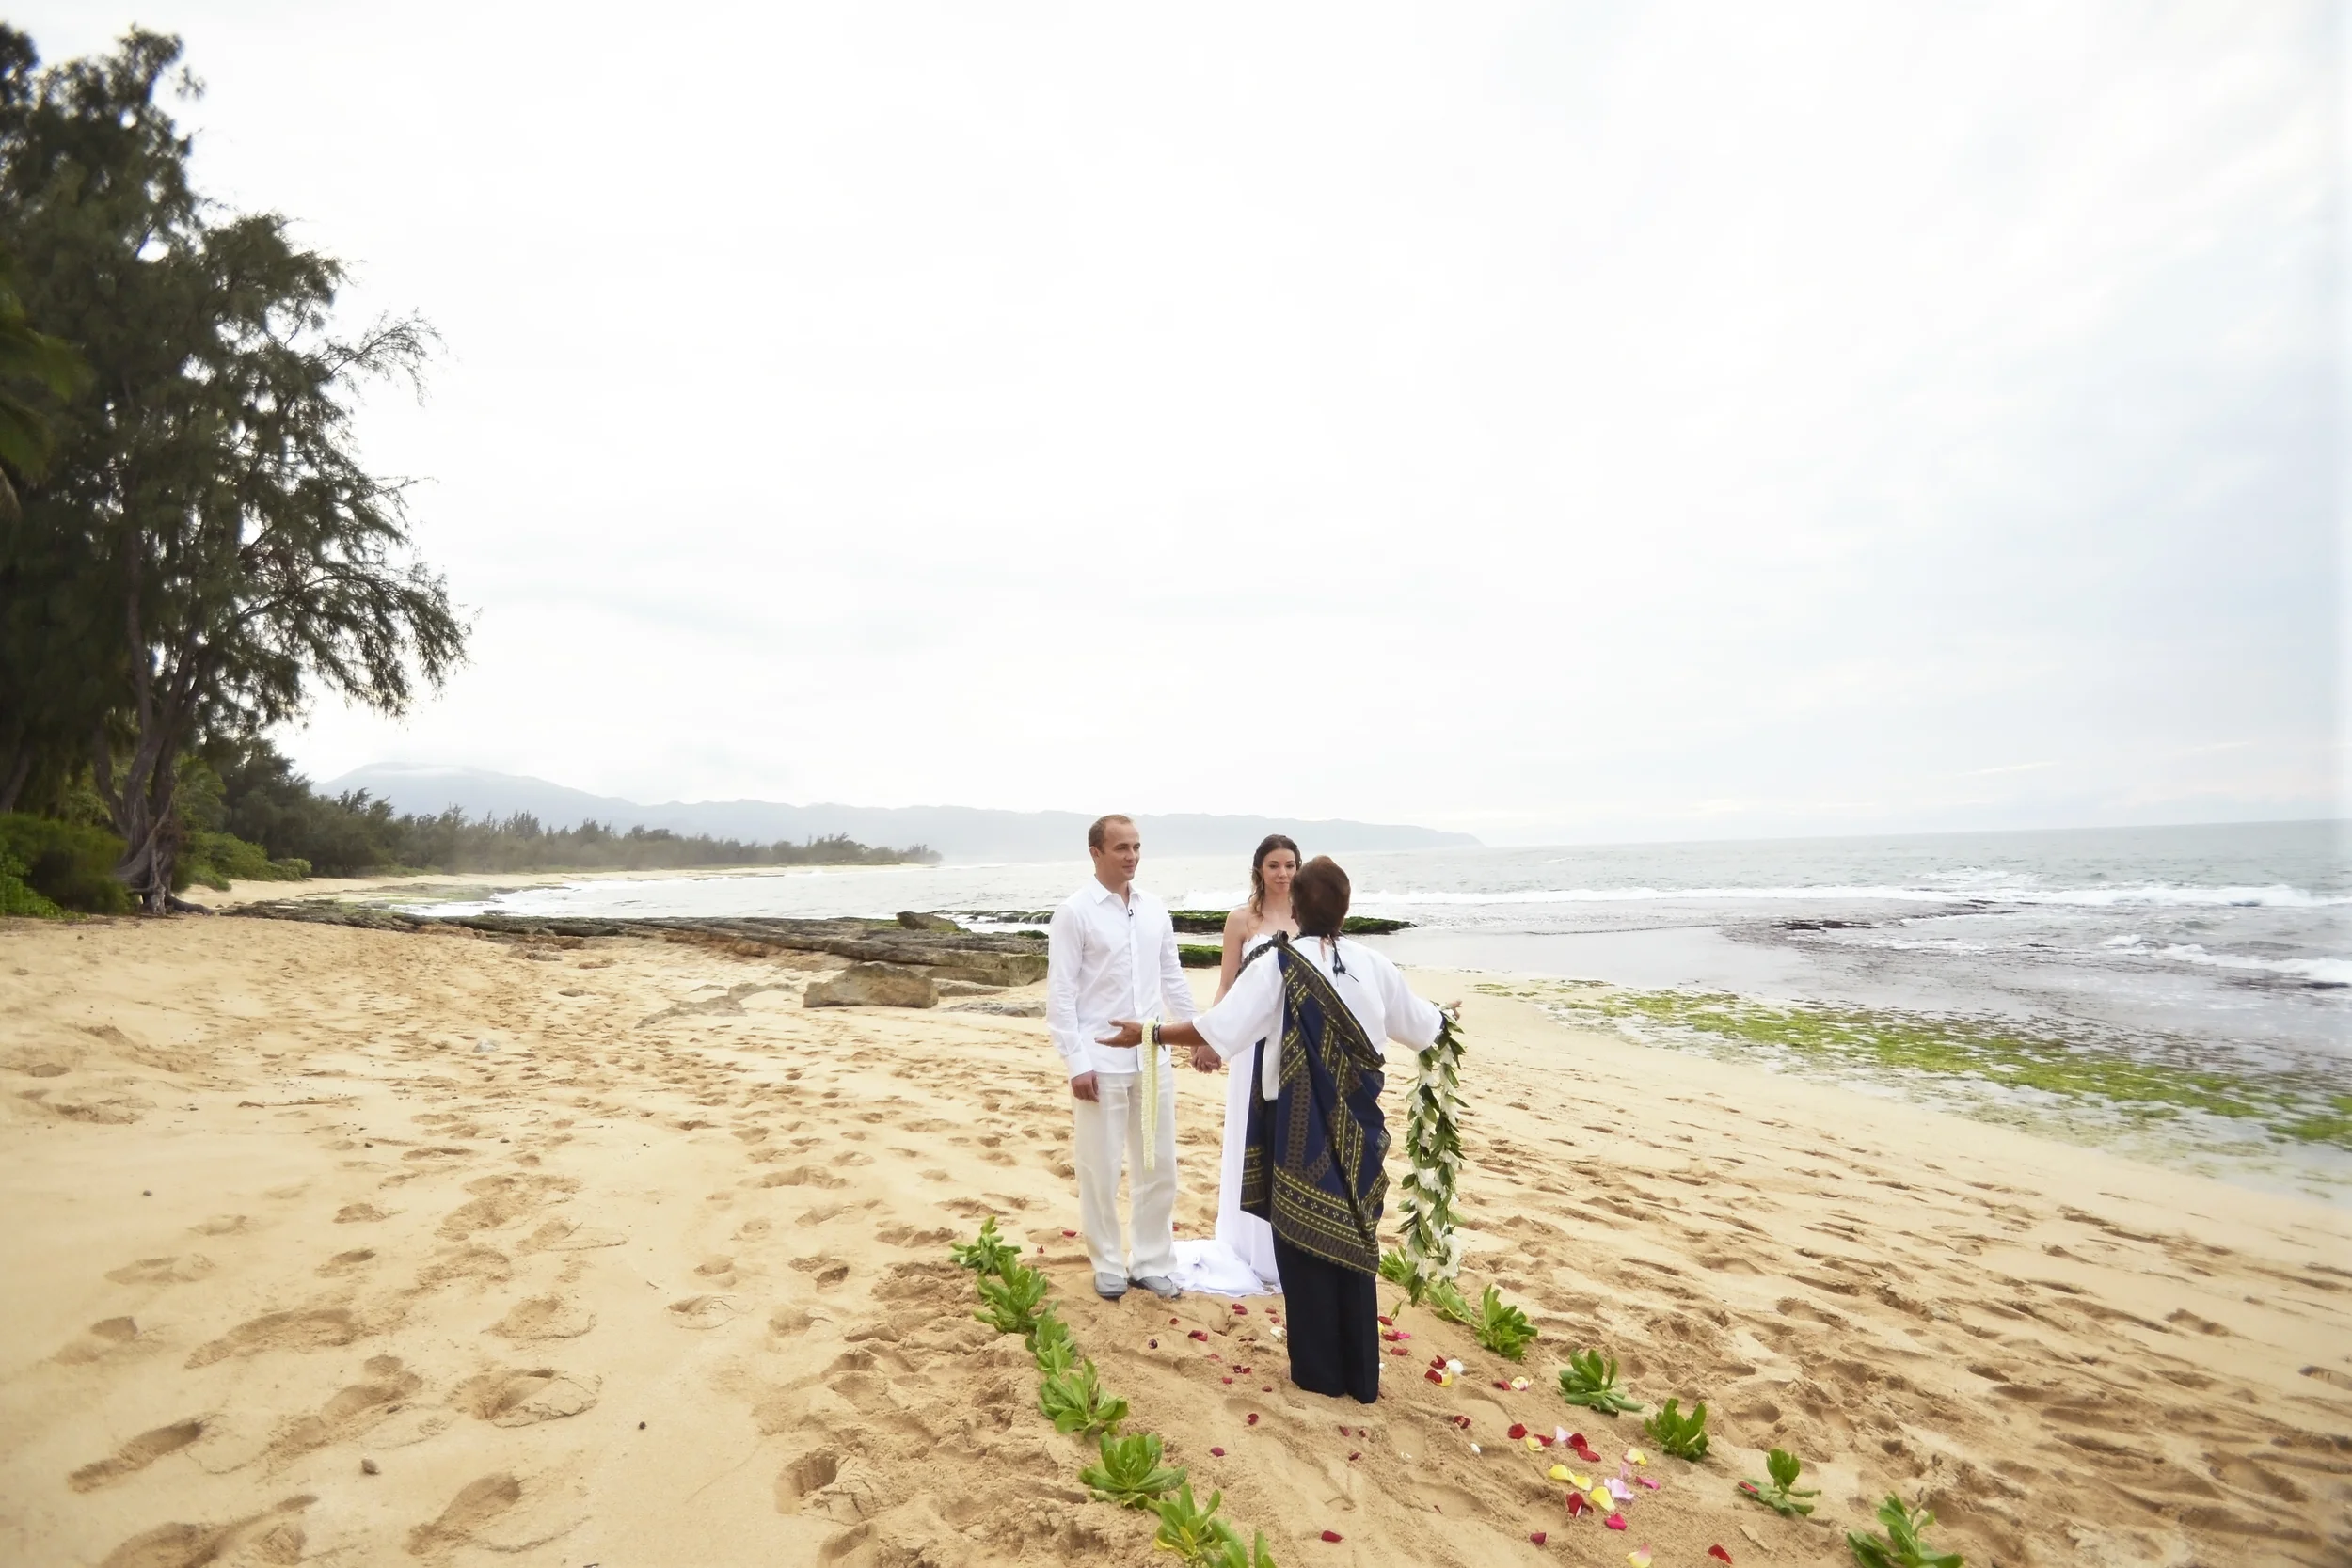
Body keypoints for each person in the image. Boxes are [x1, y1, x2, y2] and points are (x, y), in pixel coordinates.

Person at [1100, 856, 1456, 1402]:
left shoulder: (1277, 966)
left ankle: (1318, 1374)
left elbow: (1219, 1030)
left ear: (1295, 907)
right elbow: (1423, 1026)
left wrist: (1148, 1032)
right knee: (1357, 1240)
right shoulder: (1376, 965)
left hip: (1299, 1131)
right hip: (1358, 1130)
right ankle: (1362, 1375)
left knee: (1305, 1241)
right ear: (1346, 908)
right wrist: (1446, 1016)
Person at [1046, 814, 1198, 1301]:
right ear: (1096, 852)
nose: (1131, 856)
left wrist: (1197, 1034)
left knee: (1158, 1165)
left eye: (1136, 847)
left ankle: (1151, 1260)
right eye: (1121, 848)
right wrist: (1076, 1062)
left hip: (1153, 1059)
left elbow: (1172, 977)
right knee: (1101, 1166)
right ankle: (1108, 1262)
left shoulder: (1155, 909)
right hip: (1100, 1062)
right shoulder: (1075, 912)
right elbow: (1062, 995)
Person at [1210, 834, 1300, 1290]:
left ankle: (1289, 1243)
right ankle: (1250, 1245)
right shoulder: (1241, 920)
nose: (1282, 873)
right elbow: (1227, 985)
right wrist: (1209, 1038)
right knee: (1251, 1132)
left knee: (1290, 1139)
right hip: (1250, 1043)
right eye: (1273, 865)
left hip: (1296, 1044)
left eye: (1289, 865)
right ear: (1259, 870)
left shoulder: (1311, 917)